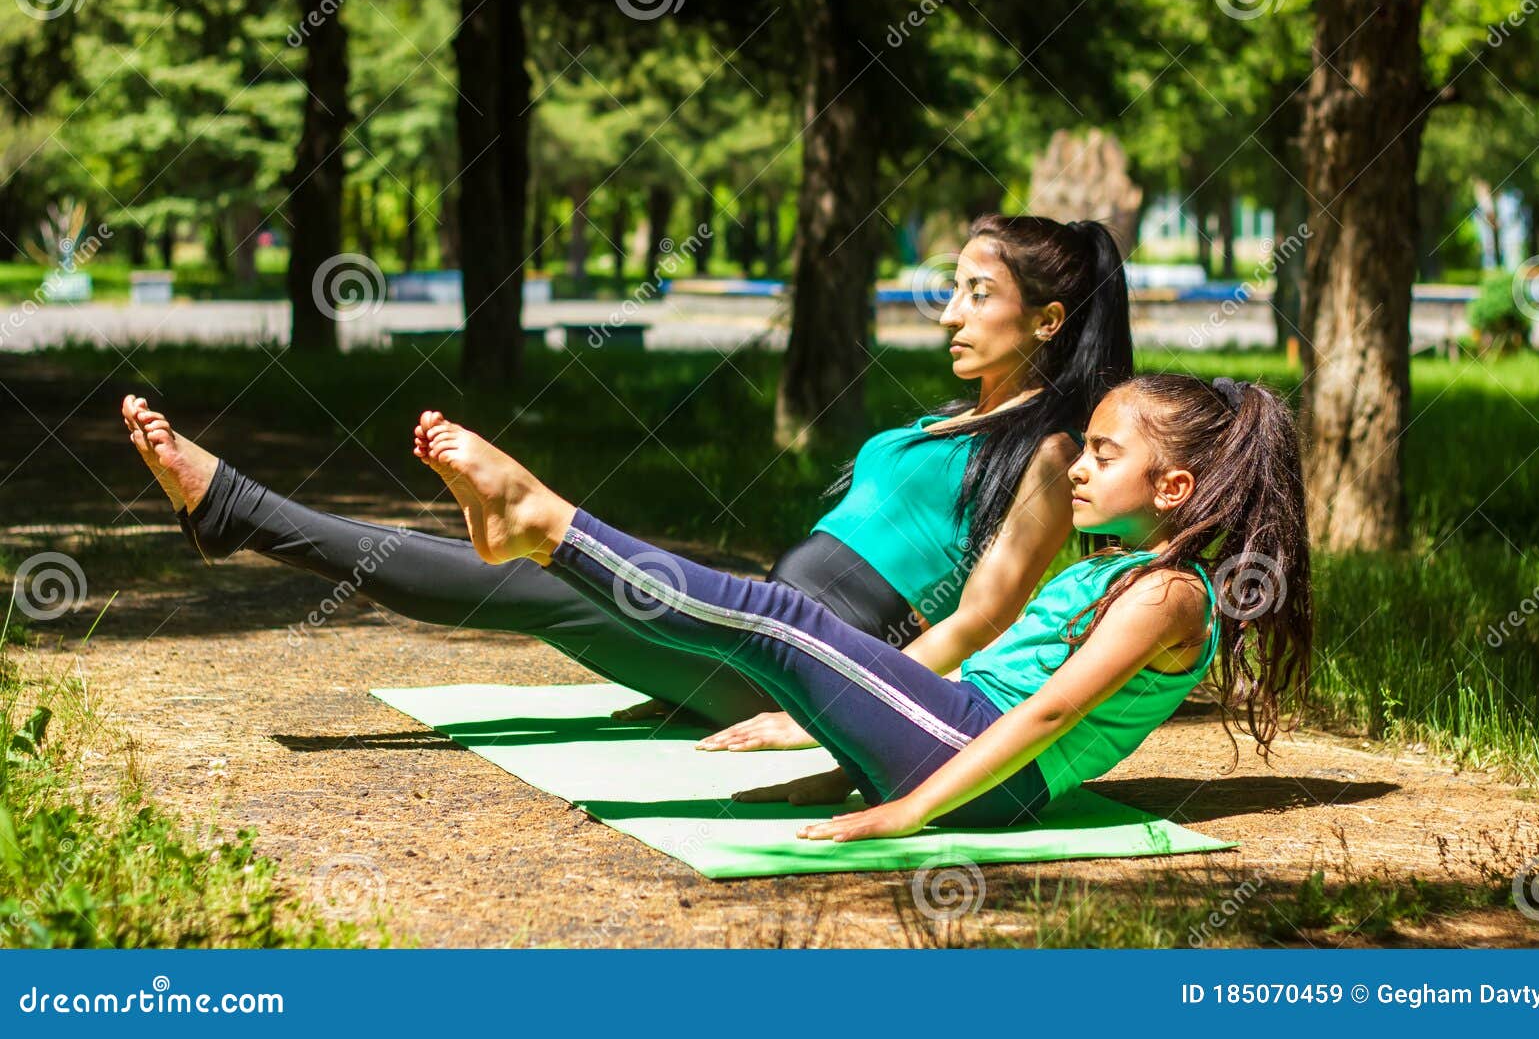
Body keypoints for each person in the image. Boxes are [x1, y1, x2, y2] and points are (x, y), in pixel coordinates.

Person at [121, 215, 1131, 790]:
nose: (948, 312)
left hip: (811, 664)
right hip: (749, 633)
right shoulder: (947, 420)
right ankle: (244, 512)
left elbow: (978, 618)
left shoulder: (1044, 452)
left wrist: (820, 713)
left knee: (534, 574)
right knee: (521, 581)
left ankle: (240, 508)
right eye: (949, 288)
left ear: (1046, 318)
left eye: (976, 294)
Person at [404, 371, 1313, 838]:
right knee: (783, 633)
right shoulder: (1115, 569)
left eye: (1104, 456)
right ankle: (535, 531)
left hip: (972, 764)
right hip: (953, 733)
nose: (1078, 464)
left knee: (777, 619)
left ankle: (545, 522)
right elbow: (992, 673)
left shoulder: (1168, 595)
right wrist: (848, 752)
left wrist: (905, 808)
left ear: (1175, 486)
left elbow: (1052, 708)